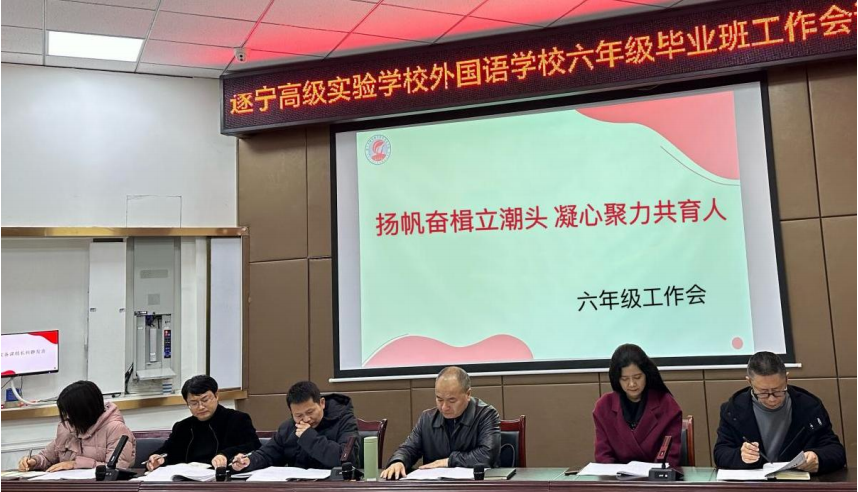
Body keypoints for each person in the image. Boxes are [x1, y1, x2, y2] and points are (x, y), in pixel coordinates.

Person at [714, 351, 846, 474]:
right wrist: (741, 456)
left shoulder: (809, 406)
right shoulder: (733, 410)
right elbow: (720, 453)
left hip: (798, 483)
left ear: (787, 379)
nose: (772, 399)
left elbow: (836, 451)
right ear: (749, 382)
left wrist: (818, 458)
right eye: (763, 393)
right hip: (754, 484)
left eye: (778, 391)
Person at [380, 366, 500, 480]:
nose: (444, 407)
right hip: (436, 487)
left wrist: (448, 461)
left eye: (452, 400)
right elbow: (409, 448)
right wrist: (398, 461)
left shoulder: (486, 415)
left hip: (474, 487)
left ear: (468, 394)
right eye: (439, 399)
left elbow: (486, 455)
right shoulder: (427, 419)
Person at [231, 381, 358, 471]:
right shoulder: (287, 428)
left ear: (322, 403)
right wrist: (248, 461)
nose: (306, 419)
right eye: (298, 415)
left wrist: (308, 437)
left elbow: (345, 458)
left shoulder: (345, 421)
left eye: (310, 412)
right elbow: (267, 455)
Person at [145, 375, 261, 470]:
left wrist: (225, 455)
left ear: (216, 396)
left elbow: (254, 447)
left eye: (205, 400)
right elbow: (169, 451)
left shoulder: (237, 419)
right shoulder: (183, 427)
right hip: (189, 480)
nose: (200, 407)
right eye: (194, 403)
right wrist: (159, 459)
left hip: (223, 478)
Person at [592, 344, 682, 465]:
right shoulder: (604, 407)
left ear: (646, 374)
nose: (632, 384)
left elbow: (670, 456)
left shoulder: (667, 404)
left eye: (637, 377)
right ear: (617, 379)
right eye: (625, 379)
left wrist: (654, 474)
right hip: (616, 475)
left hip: (656, 475)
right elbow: (603, 455)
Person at [17, 381, 135, 471]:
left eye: (71, 412)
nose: (67, 417)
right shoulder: (67, 427)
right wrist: (34, 462)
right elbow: (48, 457)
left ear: (84, 410)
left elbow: (116, 468)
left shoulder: (115, 429)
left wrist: (75, 464)